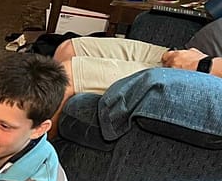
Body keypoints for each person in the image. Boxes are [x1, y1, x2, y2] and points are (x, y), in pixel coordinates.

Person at [53, 16, 222, 112]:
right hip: (193, 56)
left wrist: (204, 66)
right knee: (70, 48)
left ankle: (38, 167)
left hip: (204, 75)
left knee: (66, 75)